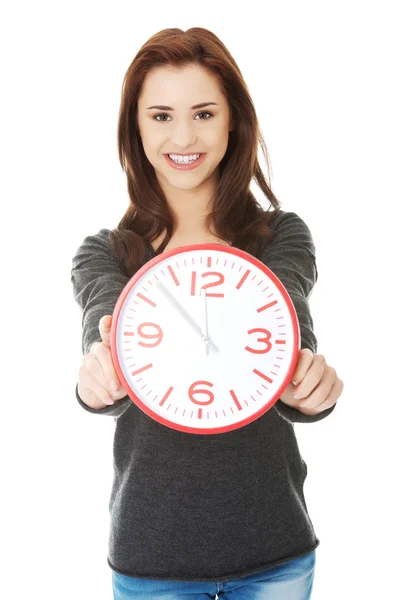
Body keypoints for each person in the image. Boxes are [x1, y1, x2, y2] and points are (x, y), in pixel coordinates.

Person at [71, 27, 343, 600]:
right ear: (136, 128)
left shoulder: (279, 237)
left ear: (232, 122)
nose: (184, 136)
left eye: (203, 113)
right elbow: (103, 331)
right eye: (161, 116)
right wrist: (98, 378)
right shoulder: (107, 254)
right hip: (152, 561)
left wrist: (308, 384)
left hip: (276, 552)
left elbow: (292, 327)